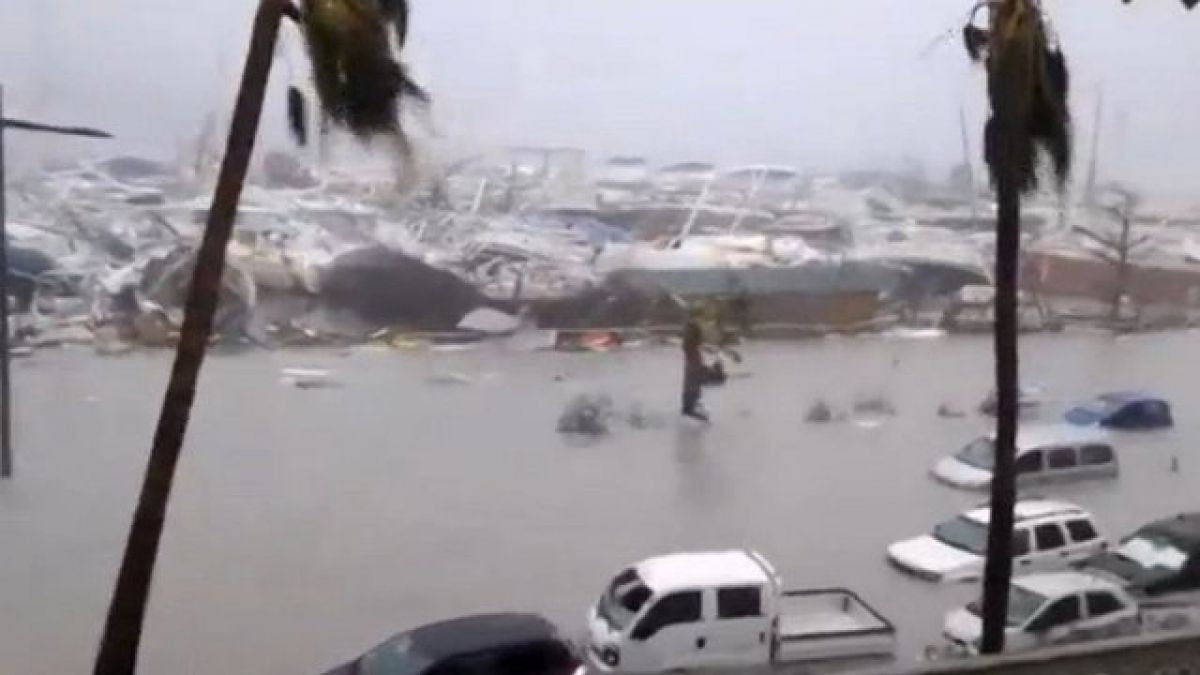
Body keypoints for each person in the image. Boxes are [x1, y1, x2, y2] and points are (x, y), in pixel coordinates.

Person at [681, 312, 709, 421]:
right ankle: (691, 408)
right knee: (692, 383)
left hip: (691, 390)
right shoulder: (693, 354)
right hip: (693, 364)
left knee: (691, 383)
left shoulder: (693, 353)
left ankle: (690, 407)